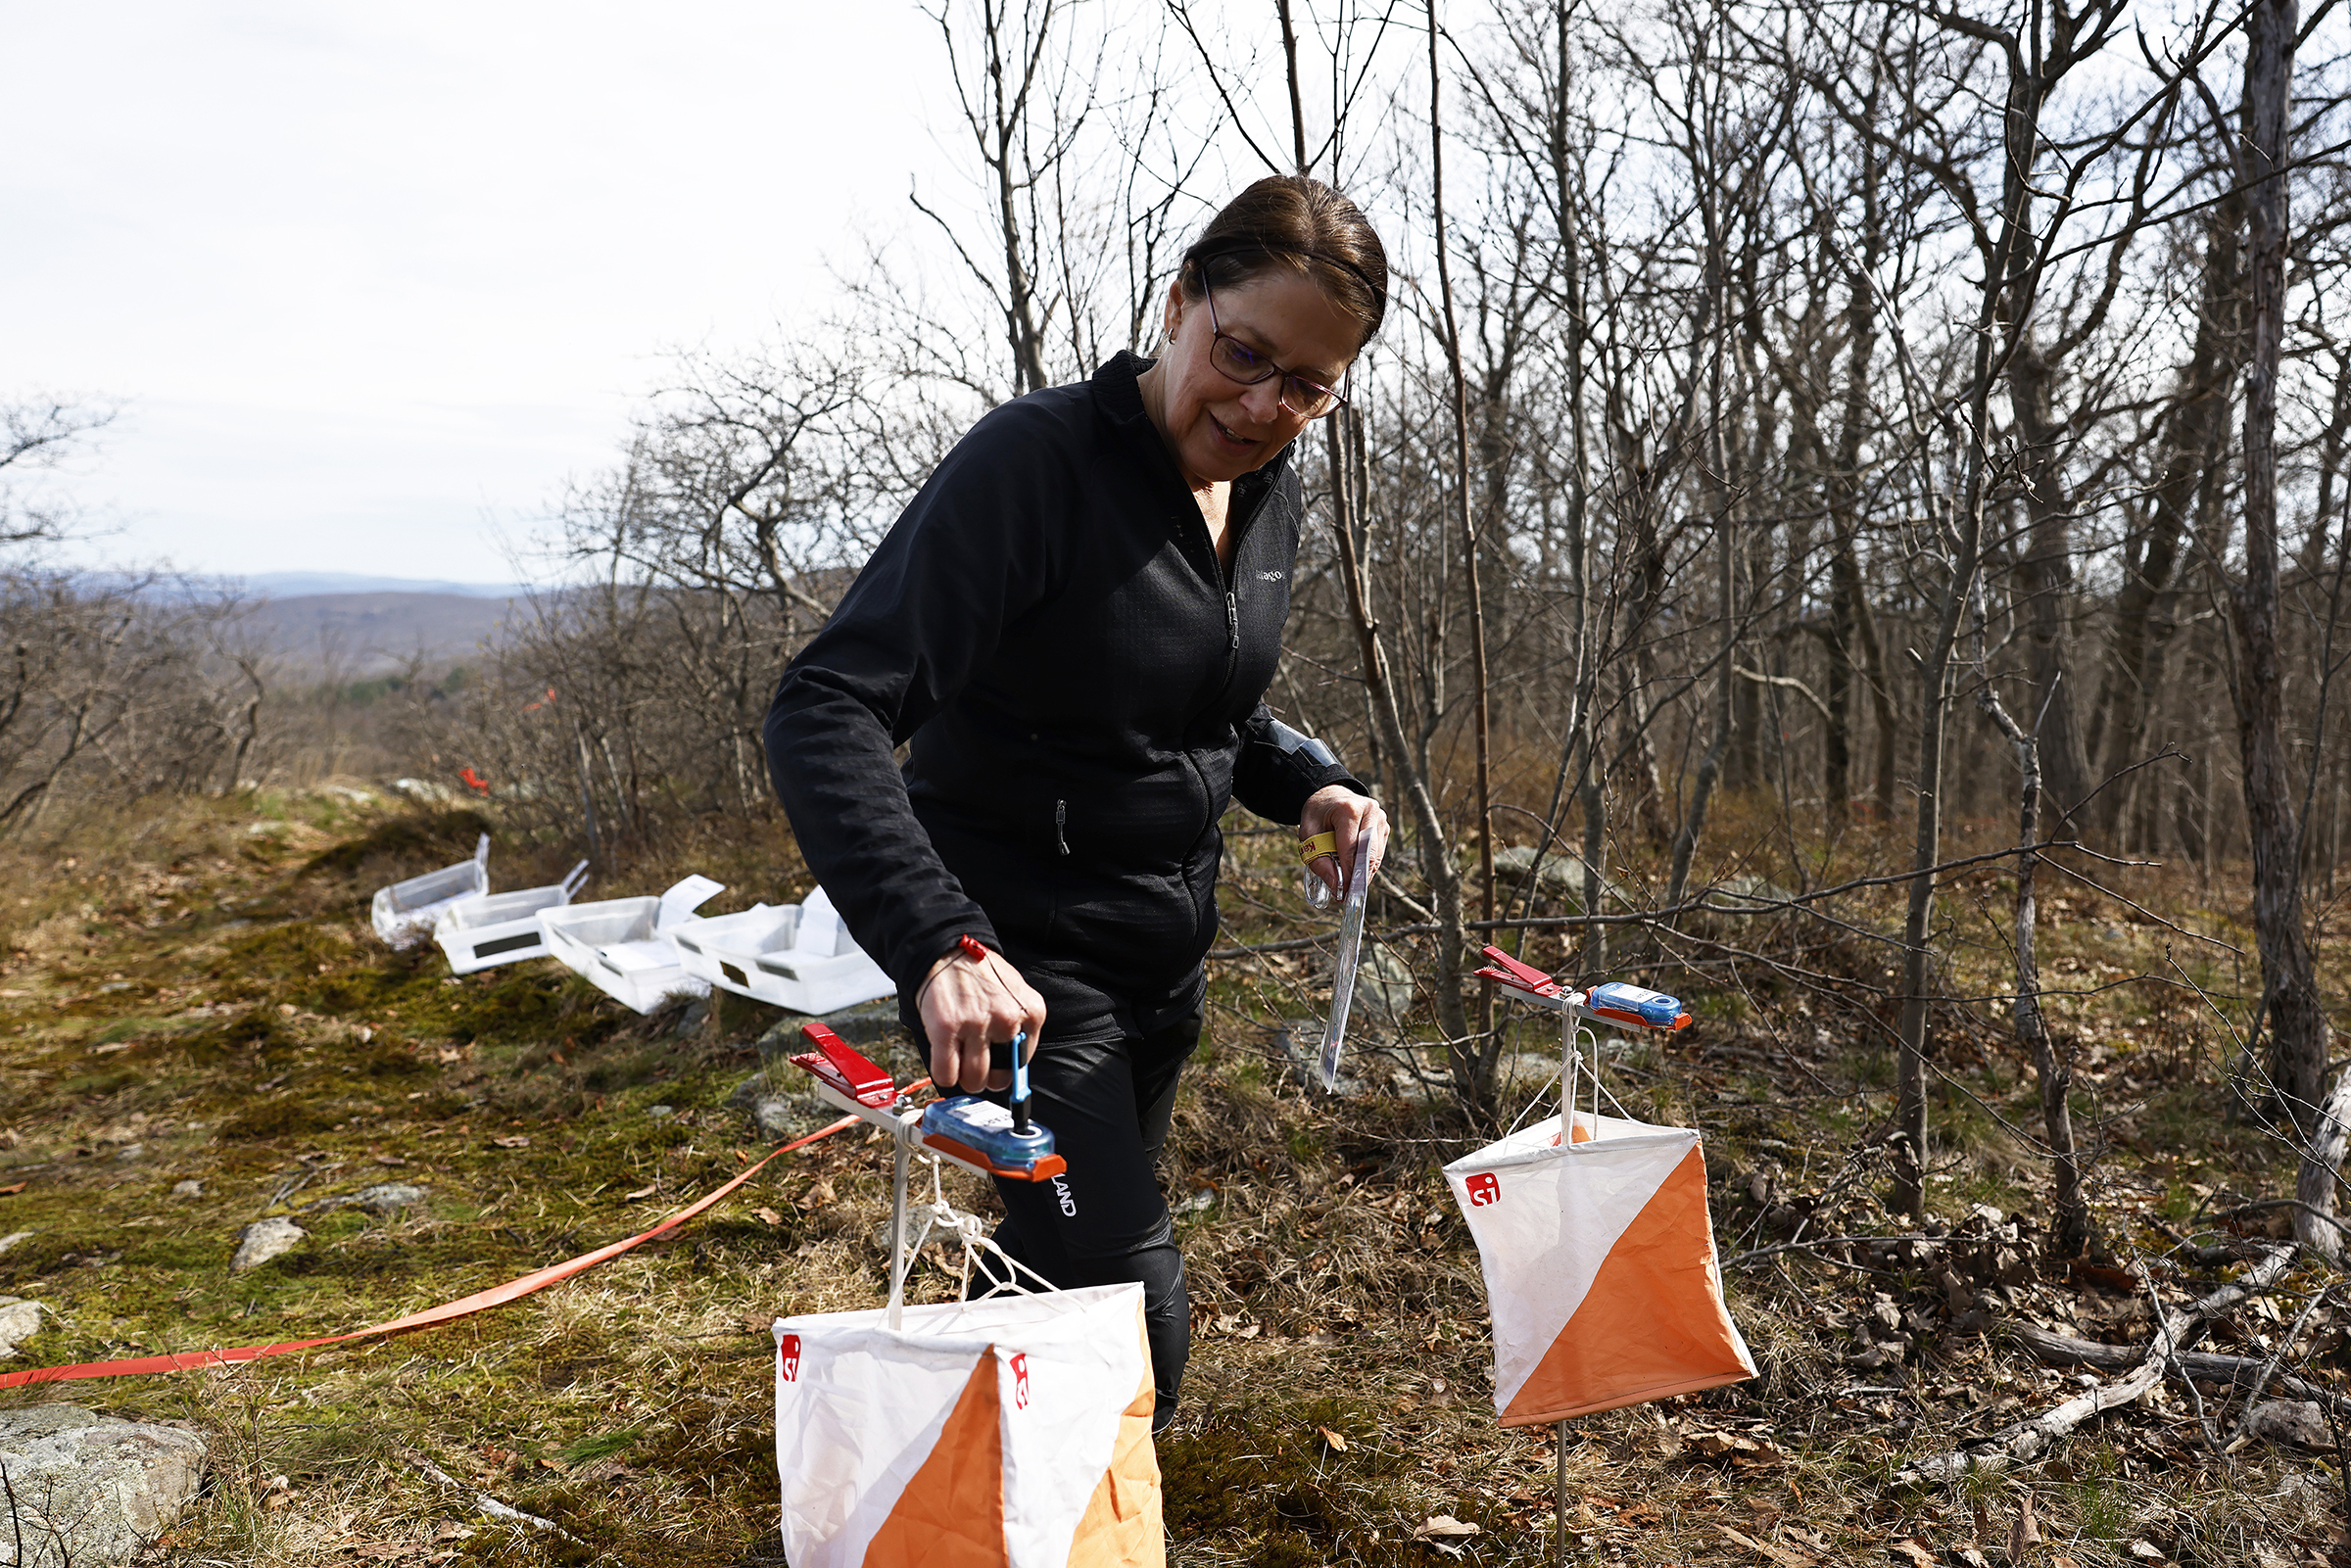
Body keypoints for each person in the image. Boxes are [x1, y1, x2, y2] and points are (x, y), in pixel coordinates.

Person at [764, 174, 1391, 1434]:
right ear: (1181, 304)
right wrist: (943, 942)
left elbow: (1198, 707)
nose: (1266, 405)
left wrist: (1309, 779)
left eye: (1309, 387)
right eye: (1245, 354)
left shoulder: (1262, 498)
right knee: (1132, 1318)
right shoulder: (1034, 466)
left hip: (1165, 965)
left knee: (1059, 1276)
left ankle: (977, 1501)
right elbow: (826, 703)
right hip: (1029, 976)